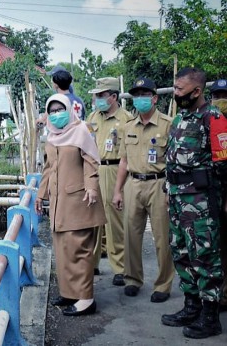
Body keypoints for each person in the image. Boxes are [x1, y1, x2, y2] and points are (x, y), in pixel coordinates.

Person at [161, 67, 225, 339]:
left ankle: (210, 318)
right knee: (181, 252)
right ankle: (191, 306)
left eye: (179, 90)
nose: (175, 93)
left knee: (205, 257)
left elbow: (223, 165)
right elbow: (172, 159)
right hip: (177, 199)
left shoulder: (214, 119)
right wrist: (168, 188)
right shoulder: (179, 119)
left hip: (200, 202)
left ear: (196, 91)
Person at [35, 94, 106, 316]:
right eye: (52, 110)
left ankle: (86, 299)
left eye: (60, 109)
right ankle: (69, 293)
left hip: (79, 200)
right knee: (63, 250)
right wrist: (40, 195)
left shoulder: (81, 131)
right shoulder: (51, 137)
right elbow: (48, 168)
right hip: (58, 204)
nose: (56, 114)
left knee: (80, 250)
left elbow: (91, 162)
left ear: (69, 109)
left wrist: (92, 188)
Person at [111, 78, 173, 303]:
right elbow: (123, 162)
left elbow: (175, 162)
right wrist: (117, 191)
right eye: (136, 95)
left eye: (144, 94)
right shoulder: (128, 127)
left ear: (155, 98)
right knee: (131, 236)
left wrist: (170, 190)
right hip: (133, 184)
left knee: (162, 237)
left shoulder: (168, 124)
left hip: (159, 184)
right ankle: (132, 279)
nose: (140, 99)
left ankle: (163, 284)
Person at [87, 77, 133, 286]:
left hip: (116, 168)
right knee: (92, 219)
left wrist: (121, 187)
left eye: (101, 95)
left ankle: (120, 267)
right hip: (95, 169)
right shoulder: (93, 117)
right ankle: (92, 262)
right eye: (96, 96)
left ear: (113, 97)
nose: (97, 99)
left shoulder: (126, 119)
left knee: (115, 220)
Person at [210, 78, 227, 313]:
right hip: (214, 195)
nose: (221, 101)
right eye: (217, 96)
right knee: (219, 247)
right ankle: (222, 294)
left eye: (225, 96)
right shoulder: (211, 122)